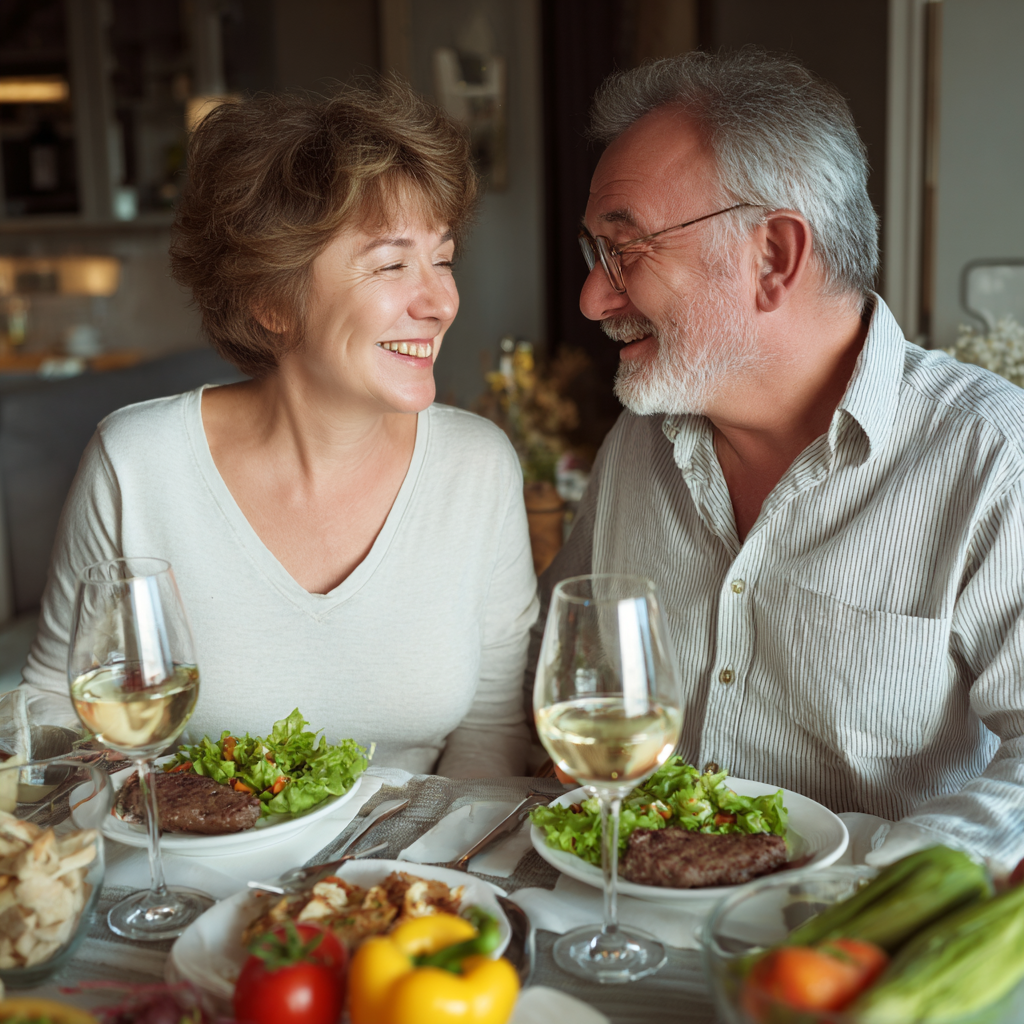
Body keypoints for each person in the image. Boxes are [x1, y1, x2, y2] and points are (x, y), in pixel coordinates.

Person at [538, 50, 1024, 870]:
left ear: (774, 258)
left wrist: (860, 901)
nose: (593, 298)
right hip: (629, 914)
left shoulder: (993, 461)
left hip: (847, 961)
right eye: (596, 255)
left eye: (627, 251)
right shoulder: (636, 445)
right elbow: (571, 674)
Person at [21, 81, 538, 778]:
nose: (440, 300)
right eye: (391, 264)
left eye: (441, 259)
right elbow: (58, 705)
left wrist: (420, 881)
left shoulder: (476, 466)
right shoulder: (139, 464)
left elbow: (491, 730)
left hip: (413, 877)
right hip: (191, 873)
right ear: (271, 301)